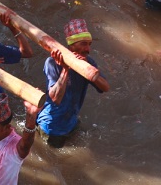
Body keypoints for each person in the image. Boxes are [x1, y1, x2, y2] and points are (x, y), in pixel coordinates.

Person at [35, 18, 110, 147]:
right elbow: (55, 98)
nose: (88, 49)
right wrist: (66, 68)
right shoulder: (52, 62)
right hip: (52, 126)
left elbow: (105, 87)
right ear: (71, 45)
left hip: (71, 121)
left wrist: (88, 70)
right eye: (83, 44)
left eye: (89, 44)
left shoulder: (88, 62)